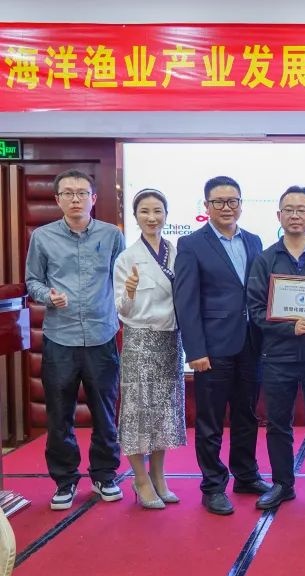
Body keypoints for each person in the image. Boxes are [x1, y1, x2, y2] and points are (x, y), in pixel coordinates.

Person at [25, 169, 125, 510]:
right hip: (60, 338)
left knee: (105, 412)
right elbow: (32, 281)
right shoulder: (42, 237)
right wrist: (48, 296)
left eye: (82, 193)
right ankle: (65, 480)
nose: (75, 199)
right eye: (67, 193)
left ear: (93, 198)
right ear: (57, 199)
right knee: (59, 414)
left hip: (102, 336)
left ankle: (104, 475)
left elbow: (121, 280)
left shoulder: (112, 235)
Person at [173, 175, 271, 516]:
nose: (226, 207)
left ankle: (246, 475)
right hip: (212, 348)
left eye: (233, 201)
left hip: (250, 344)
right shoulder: (191, 244)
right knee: (211, 421)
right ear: (207, 206)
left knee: (247, 415)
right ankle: (213, 486)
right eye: (219, 202)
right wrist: (195, 350)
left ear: (241, 204)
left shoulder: (254, 241)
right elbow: (185, 301)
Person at [247, 186, 305, 511]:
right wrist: (290, 327)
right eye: (289, 209)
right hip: (278, 355)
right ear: (279, 216)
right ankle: (282, 484)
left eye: (302, 210)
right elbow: (256, 310)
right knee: (278, 424)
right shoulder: (265, 259)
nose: (295, 215)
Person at [112, 188, 186, 510]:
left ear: (166, 215)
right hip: (141, 339)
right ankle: (140, 479)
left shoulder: (177, 252)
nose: (152, 217)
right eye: (145, 211)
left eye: (158, 211)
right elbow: (121, 310)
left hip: (171, 339)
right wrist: (129, 292)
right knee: (138, 411)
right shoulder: (127, 258)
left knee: (163, 412)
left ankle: (159, 475)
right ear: (135, 216)